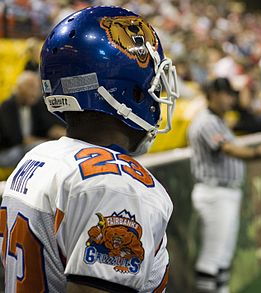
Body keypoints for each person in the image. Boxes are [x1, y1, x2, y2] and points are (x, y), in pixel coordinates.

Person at [0, 6, 179, 292]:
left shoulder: (38, 157)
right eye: (152, 87)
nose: (157, 98)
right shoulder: (118, 187)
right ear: (126, 91)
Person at [188, 77, 261, 293]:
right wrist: (257, 153)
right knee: (212, 256)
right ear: (213, 94)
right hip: (214, 192)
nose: (229, 99)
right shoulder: (207, 121)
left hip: (225, 193)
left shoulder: (218, 120)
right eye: (225, 94)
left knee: (224, 255)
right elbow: (227, 149)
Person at [0, 70, 65, 167]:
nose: (35, 92)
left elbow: (47, 126)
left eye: (36, 87)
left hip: (28, 147)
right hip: (7, 151)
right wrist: (42, 141)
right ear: (19, 88)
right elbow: (15, 138)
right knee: (38, 148)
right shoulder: (7, 106)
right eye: (30, 87)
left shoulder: (35, 105)